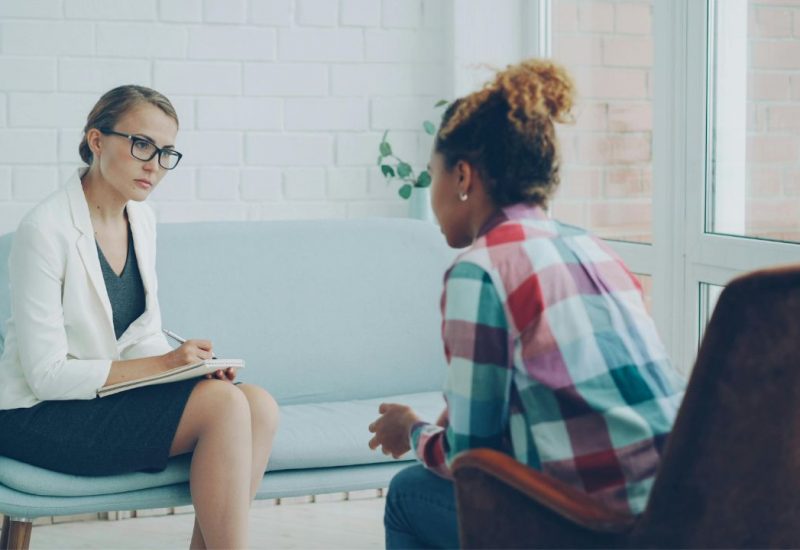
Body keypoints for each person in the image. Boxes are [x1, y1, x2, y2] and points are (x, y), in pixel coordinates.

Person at [368, 59, 686, 548]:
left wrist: (410, 430)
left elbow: (472, 463)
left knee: (408, 493)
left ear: (462, 177)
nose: (431, 195)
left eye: (432, 175)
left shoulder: (482, 269)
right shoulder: (592, 248)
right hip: (682, 511)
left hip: (597, 528)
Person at [0, 85, 279, 549]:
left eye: (166, 151)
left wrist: (190, 367)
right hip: (38, 414)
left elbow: (139, 336)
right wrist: (167, 368)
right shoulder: (43, 231)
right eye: (142, 144)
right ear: (96, 141)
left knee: (258, 405)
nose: (154, 164)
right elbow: (45, 376)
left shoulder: (140, 220)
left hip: (100, 400)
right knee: (225, 406)